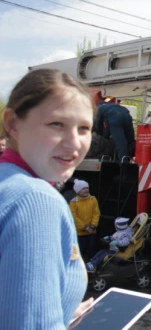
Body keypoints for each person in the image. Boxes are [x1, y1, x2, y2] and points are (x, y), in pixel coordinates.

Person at [0, 68, 93, 328]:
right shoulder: (36, 200)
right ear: (12, 123)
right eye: (57, 124)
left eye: (84, 128)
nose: (74, 143)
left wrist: (59, 313)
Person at [69, 179, 100, 260]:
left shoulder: (93, 199)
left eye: (87, 188)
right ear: (77, 191)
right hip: (80, 233)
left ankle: (91, 266)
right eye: (83, 188)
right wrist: (85, 227)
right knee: (80, 252)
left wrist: (93, 226)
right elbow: (74, 217)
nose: (86, 190)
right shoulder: (73, 202)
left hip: (91, 231)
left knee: (92, 250)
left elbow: (96, 213)